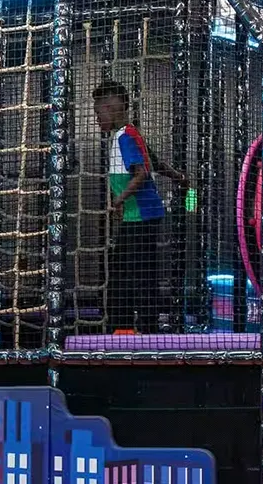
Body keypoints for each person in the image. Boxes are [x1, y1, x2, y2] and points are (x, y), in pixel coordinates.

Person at [92, 80, 187, 334]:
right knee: (134, 268)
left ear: (115, 108)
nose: (97, 117)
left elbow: (142, 173)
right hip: (142, 215)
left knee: (131, 271)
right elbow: (154, 163)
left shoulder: (125, 137)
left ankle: (132, 326)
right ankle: (138, 325)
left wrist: (118, 200)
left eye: (100, 111)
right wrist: (178, 177)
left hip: (140, 215)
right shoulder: (130, 134)